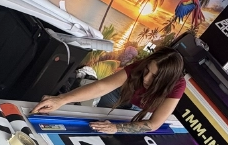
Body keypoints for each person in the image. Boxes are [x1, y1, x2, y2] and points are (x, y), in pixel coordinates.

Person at [30, 47, 185, 134]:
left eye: (154, 77)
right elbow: (102, 86)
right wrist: (62, 99)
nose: (146, 78)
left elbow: (153, 124)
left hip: (140, 109)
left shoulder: (177, 85)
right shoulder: (140, 66)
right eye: (147, 70)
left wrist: (117, 128)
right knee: (96, 119)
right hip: (122, 94)